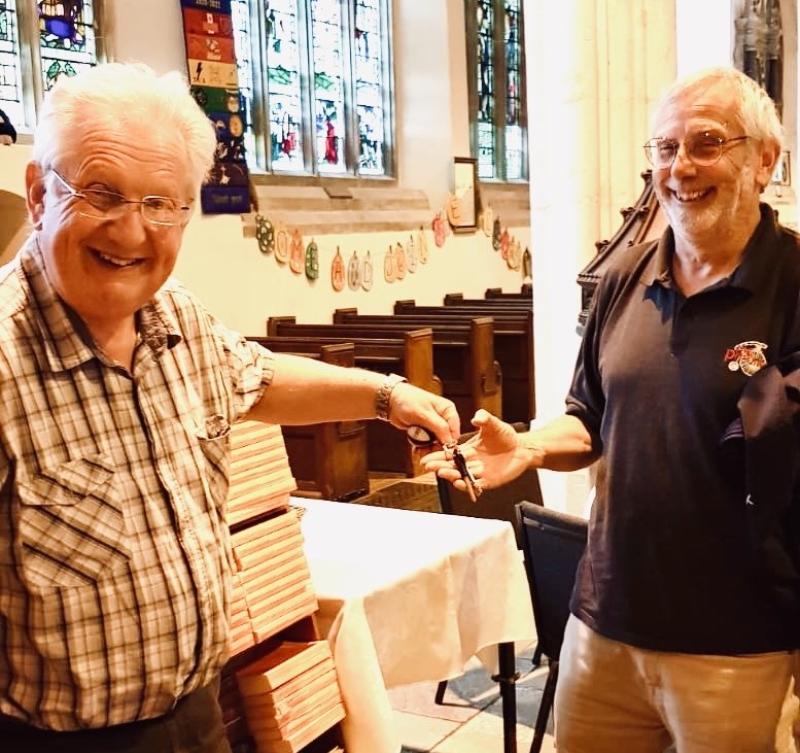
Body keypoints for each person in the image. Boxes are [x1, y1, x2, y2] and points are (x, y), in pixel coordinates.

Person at [0, 62, 460, 752]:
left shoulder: (172, 312)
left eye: (162, 204)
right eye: (103, 194)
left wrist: (385, 395)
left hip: (198, 715)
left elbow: (258, 377)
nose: (132, 231)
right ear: (40, 193)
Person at [426, 66, 800, 753]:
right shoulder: (625, 275)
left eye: (706, 142)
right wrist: (533, 446)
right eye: (664, 148)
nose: (680, 167)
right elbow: (588, 417)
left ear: (765, 160)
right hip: (605, 626)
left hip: (736, 644)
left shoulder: (793, 281)